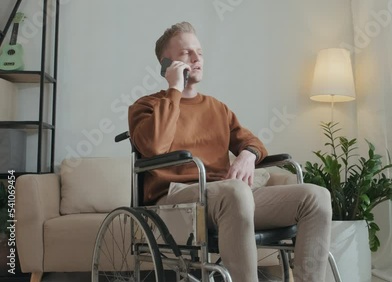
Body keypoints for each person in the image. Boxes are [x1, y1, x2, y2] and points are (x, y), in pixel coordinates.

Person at [128, 21, 332, 282]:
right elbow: (154, 146)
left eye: (199, 52)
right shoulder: (145, 106)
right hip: (176, 199)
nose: (196, 58)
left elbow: (252, 141)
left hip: (228, 199)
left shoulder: (217, 108)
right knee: (234, 191)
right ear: (167, 65)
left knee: (316, 197)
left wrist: (247, 155)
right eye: (185, 53)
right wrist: (174, 90)